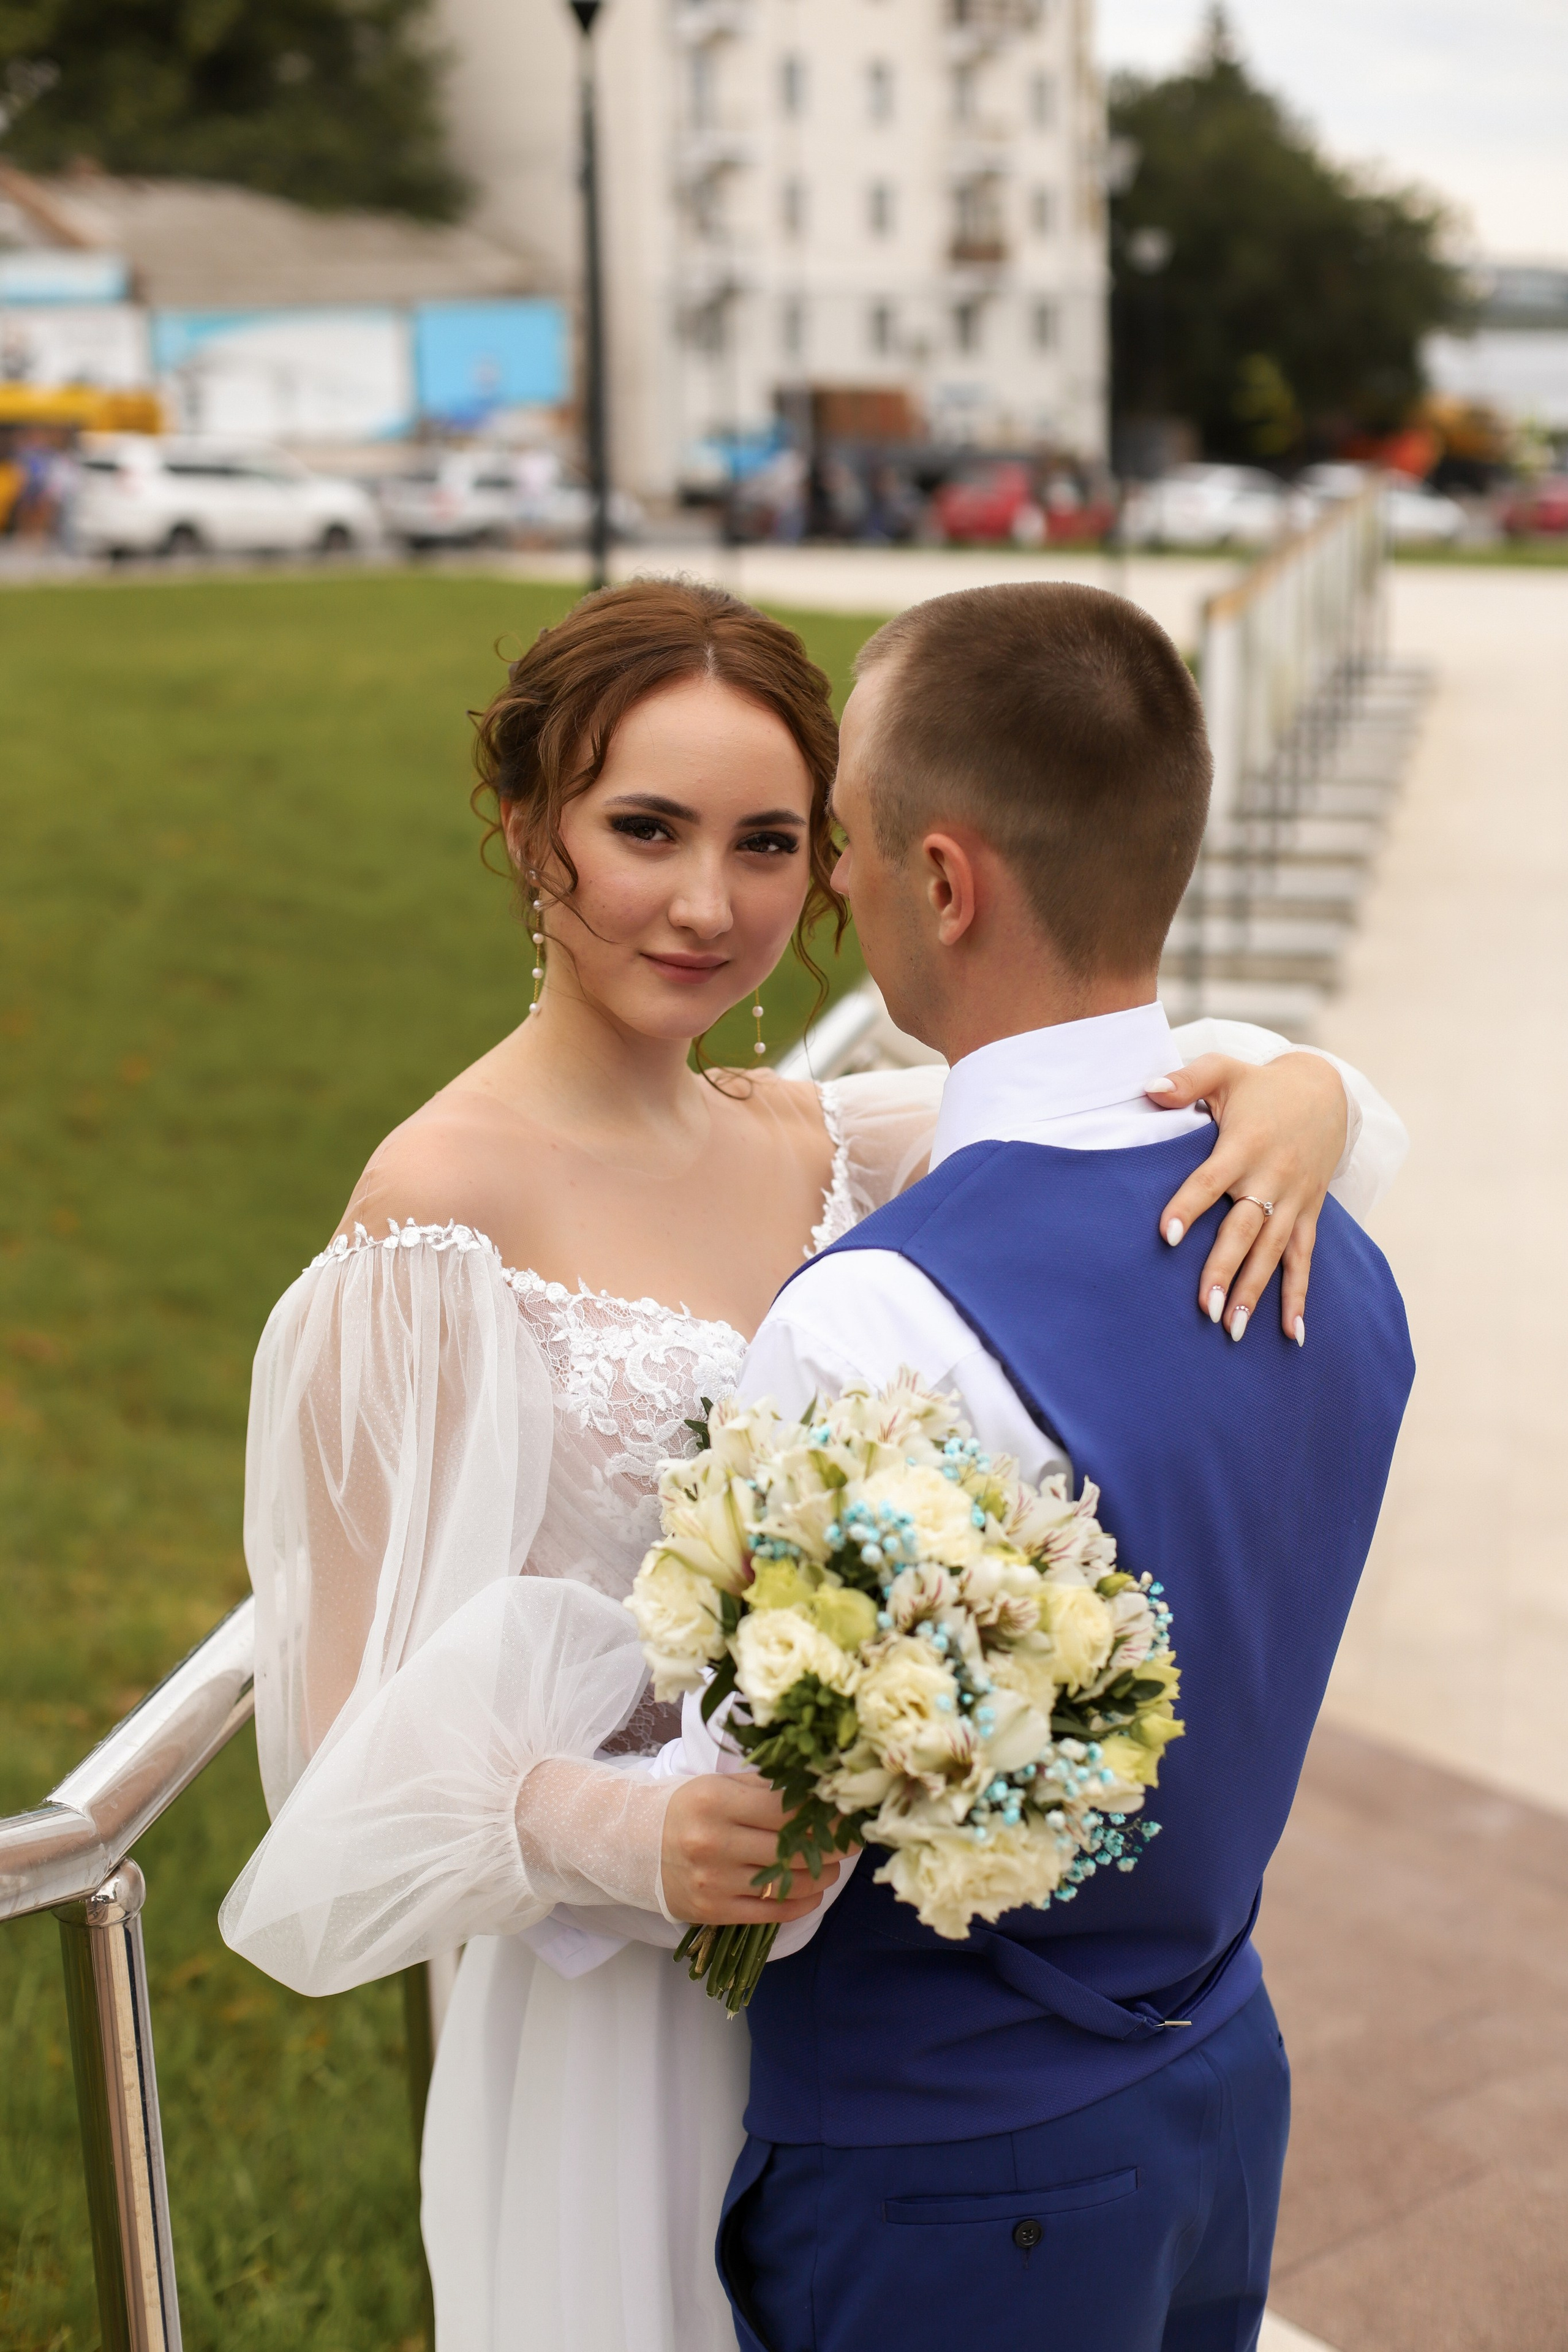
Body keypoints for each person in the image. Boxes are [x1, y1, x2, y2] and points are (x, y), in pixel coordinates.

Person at [219, 579, 1407, 2351]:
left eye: (771, 842)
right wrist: (636, 1833)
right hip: (627, 2020)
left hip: (891, 2013)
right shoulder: (432, 1216)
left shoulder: (835, 1143)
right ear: (528, 827)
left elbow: (1109, 1097)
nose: (710, 903)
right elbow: (340, 1747)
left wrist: (1299, 1085)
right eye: (648, 830)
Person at [718, 582, 1415, 2352]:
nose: (833, 886)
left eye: (850, 843)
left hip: (949, 2179)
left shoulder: (879, 1319)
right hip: (1214, 2079)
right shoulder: (1338, 1236)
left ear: (945, 881)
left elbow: (774, 1867)